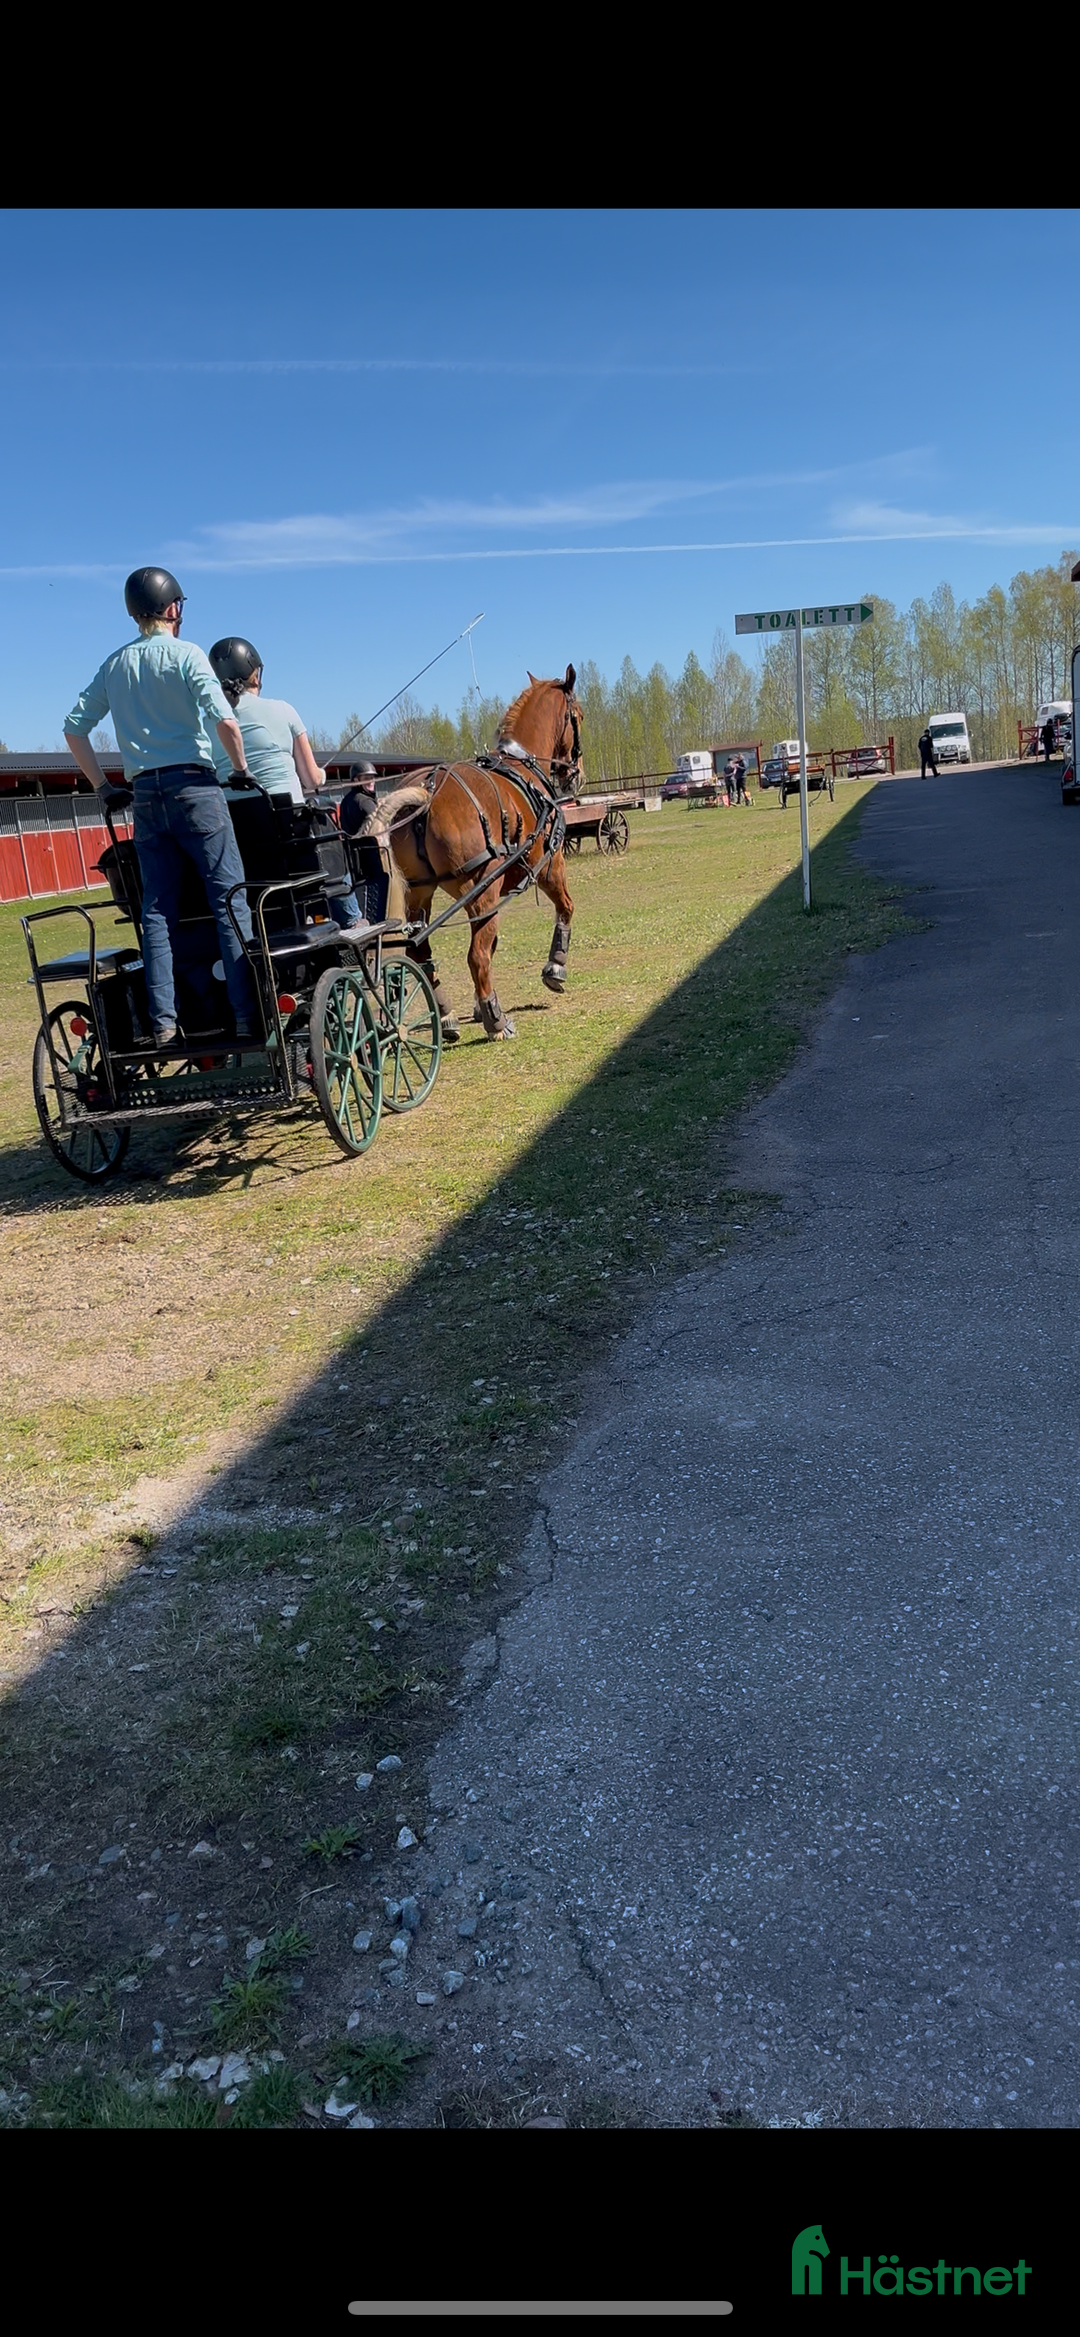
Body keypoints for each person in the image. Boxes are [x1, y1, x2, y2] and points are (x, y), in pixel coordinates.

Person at [64, 569, 259, 1048]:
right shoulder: (187, 654)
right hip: (196, 788)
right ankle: (246, 1018)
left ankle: (166, 1025)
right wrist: (239, 768)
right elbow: (226, 723)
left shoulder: (115, 664)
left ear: (134, 612)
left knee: (155, 912)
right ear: (174, 608)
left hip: (146, 797)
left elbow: (73, 728)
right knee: (229, 902)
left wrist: (103, 786)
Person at [207, 640, 367, 934]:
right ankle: (351, 918)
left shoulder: (209, 722)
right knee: (328, 830)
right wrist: (319, 775)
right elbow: (310, 780)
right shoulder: (283, 711)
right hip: (289, 843)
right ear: (255, 674)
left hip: (240, 850)